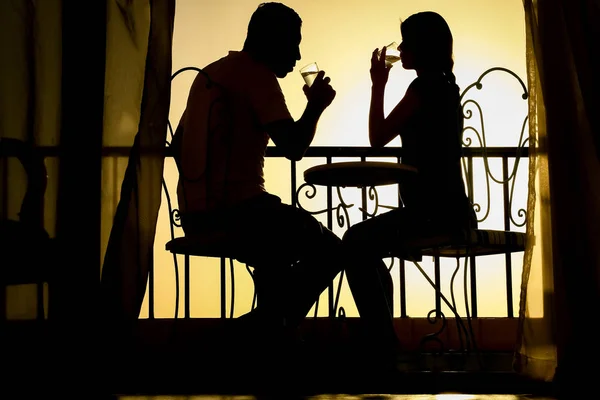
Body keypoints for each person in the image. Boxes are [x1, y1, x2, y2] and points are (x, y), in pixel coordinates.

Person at [174, 2, 341, 346]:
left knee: (277, 253)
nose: (297, 56)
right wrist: (316, 105)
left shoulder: (213, 72)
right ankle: (259, 327)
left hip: (195, 214)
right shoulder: (256, 75)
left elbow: (178, 143)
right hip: (240, 212)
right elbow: (293, 147)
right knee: (331, 251)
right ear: (271, 39)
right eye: (292, 43)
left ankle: (266, 333)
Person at [342, 11, 477, 362]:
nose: (399, 48)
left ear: (421, 47)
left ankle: (383, 344)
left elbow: (377, 138)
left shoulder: (424, 87)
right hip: (450, 210)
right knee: (364, 248)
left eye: (406, 42)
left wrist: (377, 84)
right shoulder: (447, 85)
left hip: (431, 214)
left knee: (355, 242)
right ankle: (383, 340)